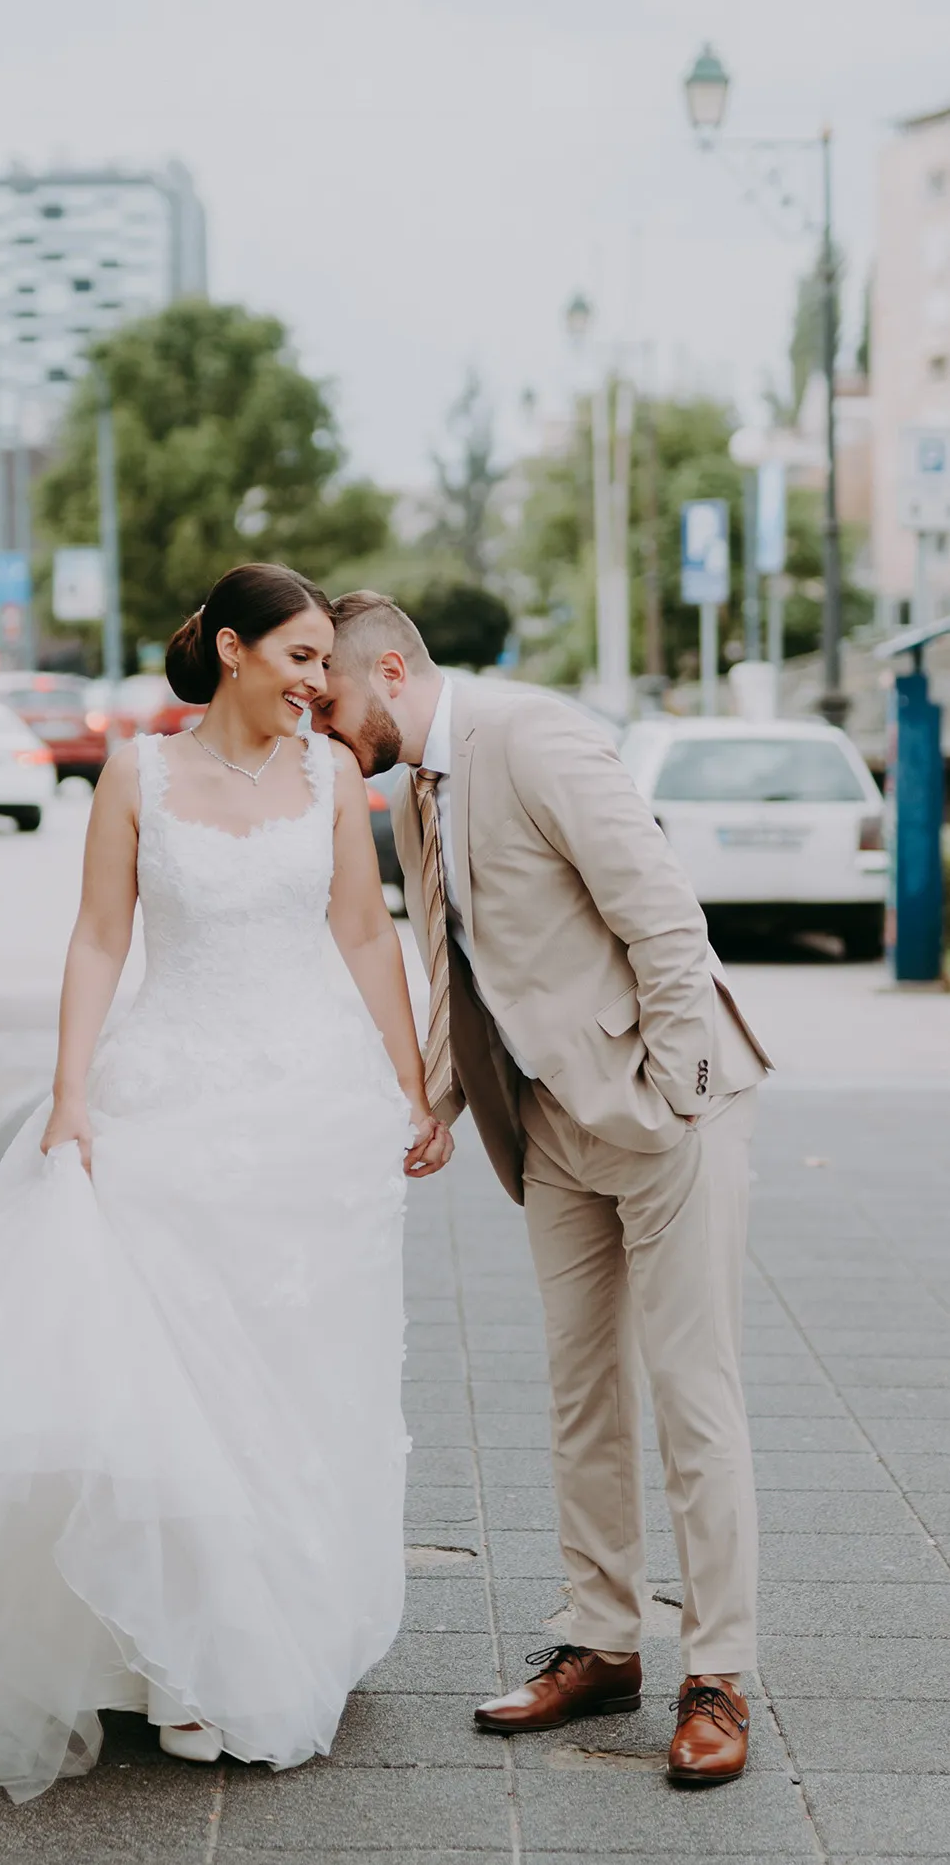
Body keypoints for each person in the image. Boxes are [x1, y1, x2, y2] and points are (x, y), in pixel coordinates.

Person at [0, 564, 450, 1802]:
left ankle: (257, 1627)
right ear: (230, 650)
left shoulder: (325, 782)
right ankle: (160, 1654)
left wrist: (410, 1087)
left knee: (296, 1372)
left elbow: (368, 935)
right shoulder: (139, 775)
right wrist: (71, 1091)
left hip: (309, 1113)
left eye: (328, 662)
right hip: (170, 1097)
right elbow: (100, 935)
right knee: (167, 1375)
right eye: (303, 656)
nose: (321, 682)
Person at [312, 591, 770, 1788]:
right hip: (549, 1126)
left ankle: (716, 1672)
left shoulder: (535, 735)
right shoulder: (414, 790)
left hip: (662, 1110)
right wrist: (444, 1099)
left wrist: (681, 1089)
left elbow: (664, 916)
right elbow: (460, 960)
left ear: (393, 669)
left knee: (693, 1395)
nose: (316, 717)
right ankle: (603, 1640)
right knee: (581, 1394)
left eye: (329, 695)